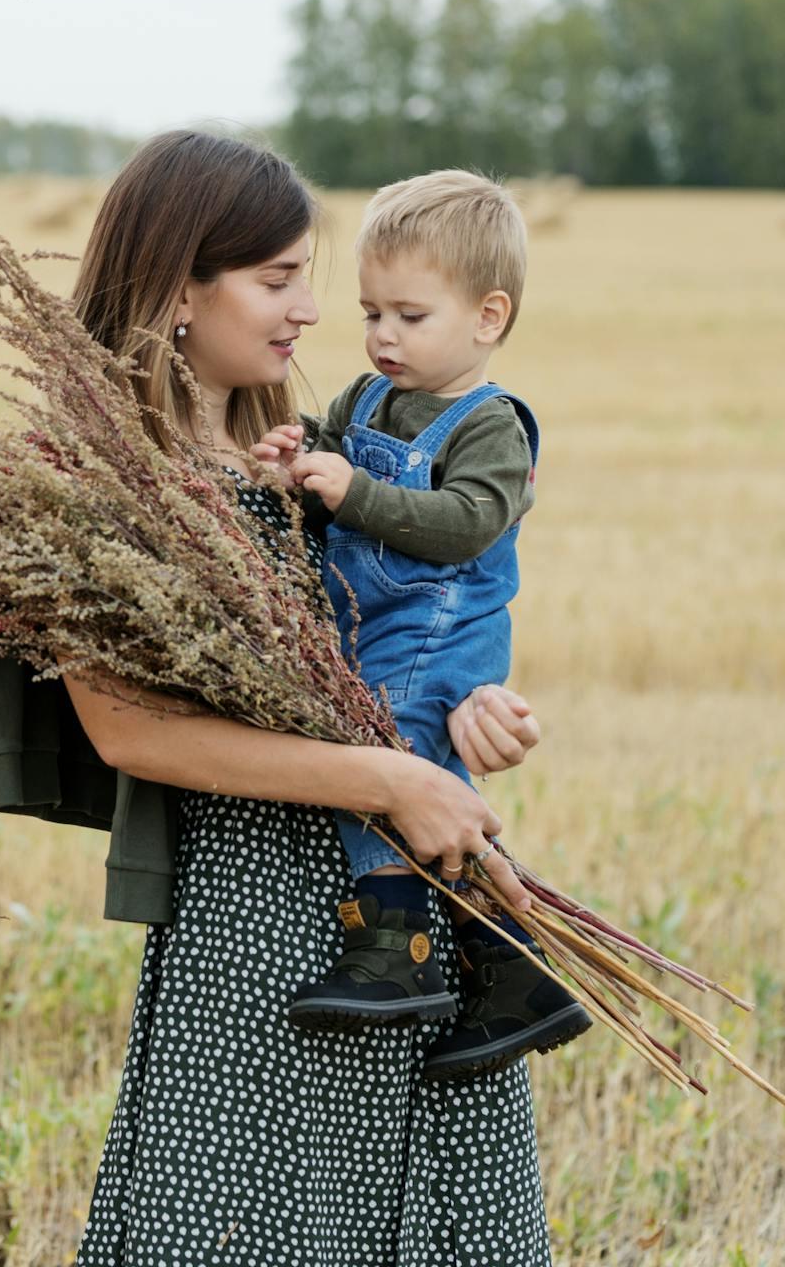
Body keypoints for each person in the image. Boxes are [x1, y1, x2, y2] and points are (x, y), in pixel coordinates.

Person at [0, 130, 554, 1265]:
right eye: (279, 279)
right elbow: (131, 731)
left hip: (405, 891)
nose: (316, 313)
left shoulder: (300, 455)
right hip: (253, 917)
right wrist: (389, 775)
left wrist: (470, 711)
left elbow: (404, 624)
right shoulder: (95, 482)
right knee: (243, 1229)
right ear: (183, 283)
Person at [256, 169, 593, 1077]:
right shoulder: (367, 402)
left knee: (393, 759)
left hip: (442, 631)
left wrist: (355, 493)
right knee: (410, 769)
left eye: (410, 316)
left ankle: (396, 948)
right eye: (371, 313)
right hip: (375, 626)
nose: (381, 336)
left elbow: (467, 526)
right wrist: (300, 459)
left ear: (488, 317)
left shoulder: (492, 426)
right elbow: (328, 468)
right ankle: (512, 969)